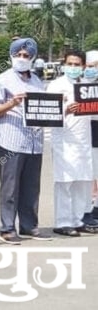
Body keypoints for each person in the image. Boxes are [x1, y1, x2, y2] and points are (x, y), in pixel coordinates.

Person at [0, 37, 50, 244]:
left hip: (34, 141)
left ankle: (29, 225)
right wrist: (12, 103)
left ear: (33, 58)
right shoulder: (1, 80)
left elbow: (44, 108)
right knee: (10, 186)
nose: (22, 58)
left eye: (26, 56)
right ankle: (7, 227)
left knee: (32, 186)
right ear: (12, 56)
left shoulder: (37, 81)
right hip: (10, 140)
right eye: (18, 55)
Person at [46, 50, 97, 236]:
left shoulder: (87, 86)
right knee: (65, 182)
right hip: (64, 141)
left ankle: (78, 219)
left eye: (77, 65)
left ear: (83, 66)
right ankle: (63, 221)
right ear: (64, 64)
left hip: (83, 140)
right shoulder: (55, 85)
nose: (73, 68)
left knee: (83, 182)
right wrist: (66, 109)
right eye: (70, 64)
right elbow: (48, 112)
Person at [84, 50, 98, 224]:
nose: (93, 69)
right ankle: (87, 209)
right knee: (88, 175)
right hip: (86, 134)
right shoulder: (78, 85)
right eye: (90, 66)